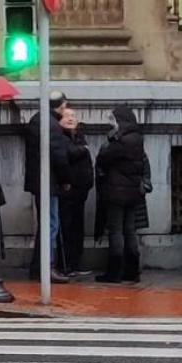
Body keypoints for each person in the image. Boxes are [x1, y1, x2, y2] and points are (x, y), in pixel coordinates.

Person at [94, 106, 149, 283]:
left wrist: (109, 142)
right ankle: (132, 271)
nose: (111, 123)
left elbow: (103, 158)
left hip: (116, 191)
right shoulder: (137, 139)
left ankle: (115, 271)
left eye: (113, 120)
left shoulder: (119, 141)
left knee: (116, 231)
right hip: (133, 191)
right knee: (130, 230)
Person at [23, 91, 72, 284]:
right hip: (48, 182)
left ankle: (39, 266)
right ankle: (47, 266)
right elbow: (59, 156)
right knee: (51, 224)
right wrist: (66, 179)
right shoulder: (52, 125)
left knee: (46, 224)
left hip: (40, 180)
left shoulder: (38, 120)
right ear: (61, 105)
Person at [59, 107, 94, 276]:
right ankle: (66, 264)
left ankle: (76, 262)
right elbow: (68, 155)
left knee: (77, 227)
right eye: (67, 116)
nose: (71, 119)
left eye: (73, 116)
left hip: (81, 189)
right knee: (66, 226)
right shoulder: (61, 137)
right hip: (67, 190)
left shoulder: (80, 137)